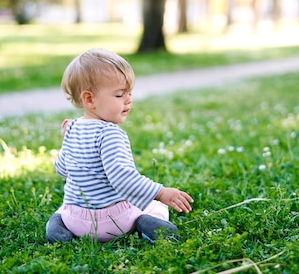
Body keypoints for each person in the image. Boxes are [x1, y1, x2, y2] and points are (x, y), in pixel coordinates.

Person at [45, 48, 194, 244]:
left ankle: (58, 226)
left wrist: (66, 142)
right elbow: (123, 178)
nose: (128, 100)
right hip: (111, 223)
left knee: (66, 206)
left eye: (129, 93)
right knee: (154, 205)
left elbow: (61, 169)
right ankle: (147, 223)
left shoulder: (72, 129)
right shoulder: (109, 133)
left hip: (74, 220)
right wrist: (160, 193)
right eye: (119, 95)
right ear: (89, 99)